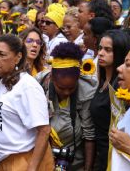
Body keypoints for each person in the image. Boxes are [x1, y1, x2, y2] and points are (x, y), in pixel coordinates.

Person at [0, 34, 54, 170]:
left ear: (17, 57)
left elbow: (44, 130)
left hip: (24, 160)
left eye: (1, 54)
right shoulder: (3, 81)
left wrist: (32, 168)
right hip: (5, 161)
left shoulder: (27, 86)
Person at [36, 42, 97, 170]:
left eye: (71, 88)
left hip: (75, 161)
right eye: (61, 88)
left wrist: (87, 168)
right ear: (52, 77)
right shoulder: (38, 84)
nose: (66, 92)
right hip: (42, 156)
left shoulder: (86, 89)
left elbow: (89, 134)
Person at [89, 30, 130, 171]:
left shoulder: (121, 87)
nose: (101, 53)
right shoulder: (103, 81)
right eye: (100, 48)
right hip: (101, 155)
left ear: (120, 53)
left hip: (114, 159)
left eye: (108, 50)